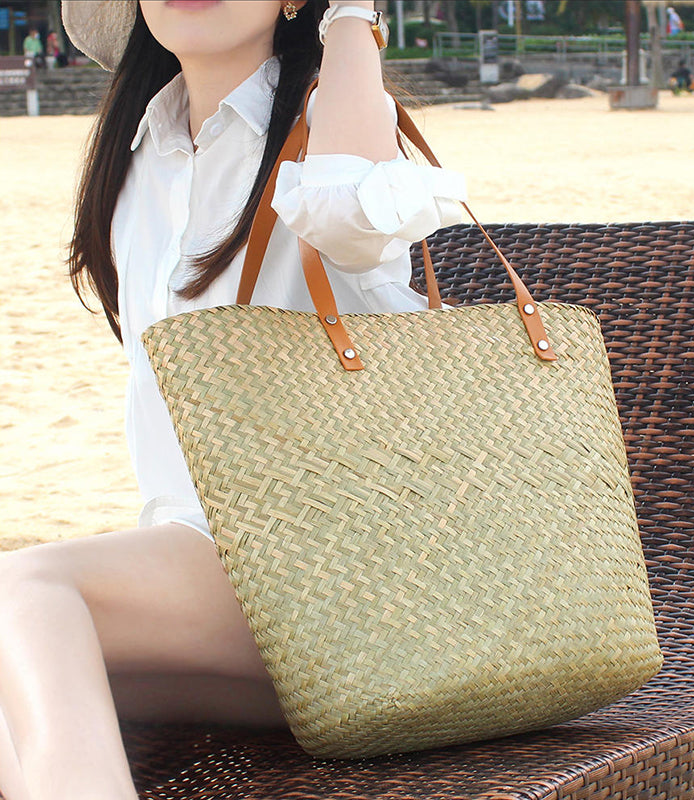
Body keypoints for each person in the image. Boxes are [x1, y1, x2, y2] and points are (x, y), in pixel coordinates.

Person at [0, 2, 465, 799]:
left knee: (22, 590)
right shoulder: (138, 156)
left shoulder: (336, 124)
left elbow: (354, 217)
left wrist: (352, 16)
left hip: (353, 586)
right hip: (222, 603)